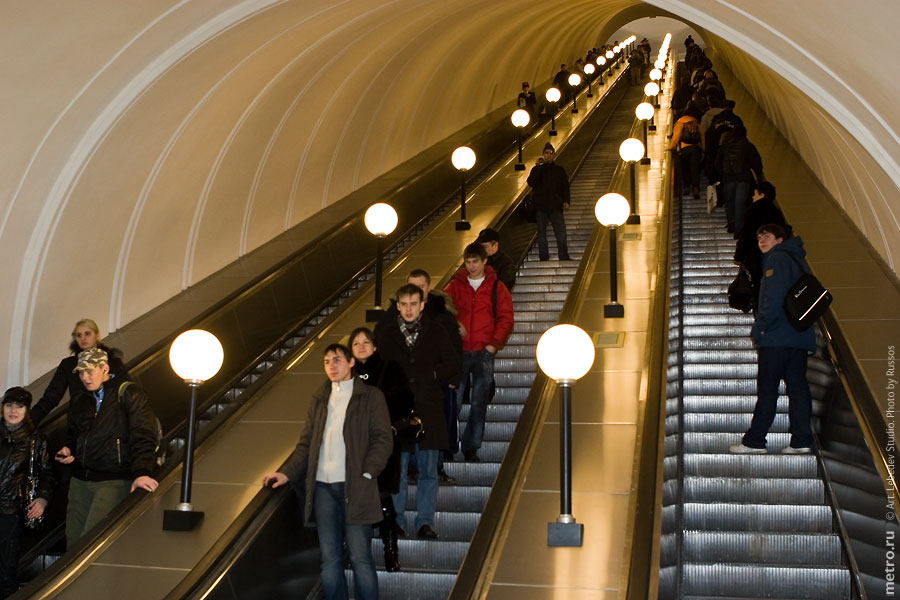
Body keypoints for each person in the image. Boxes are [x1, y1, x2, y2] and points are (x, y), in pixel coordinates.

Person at [262, 343, 391, 600]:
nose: (332, 366)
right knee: (329, 559)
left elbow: (383, 438)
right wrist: (286, 473)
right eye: (327, 362)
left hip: (356, 487)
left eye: (337, 360)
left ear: (351, 362)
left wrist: (368, 471)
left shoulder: (370, 396)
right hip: (322, 488)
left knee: (360, 557)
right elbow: (306, 443)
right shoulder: (320, 399)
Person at [376, 284, 460, 540]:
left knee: (428, 471)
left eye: (414, 303)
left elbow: (454, 361)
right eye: (404, 304)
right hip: (399, 410)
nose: (409, 309)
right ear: (398, 306)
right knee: (398, 471)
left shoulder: (436, 330)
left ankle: (425, 522)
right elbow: (377, 366)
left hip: (429, 407)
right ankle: (398, 521)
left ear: (422, 305)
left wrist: (433, 376)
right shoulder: (386, 333)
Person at [54, 348, 159, 545]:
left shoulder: (128, 393)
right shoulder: (80, 399)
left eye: (90, 371)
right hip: (80, 480)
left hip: (113, 479)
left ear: (105, 368)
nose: (85, 377)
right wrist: (68, 448)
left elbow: (144, 434)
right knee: (73, 543)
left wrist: (142, 472)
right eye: (81, 372)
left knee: (92, 540)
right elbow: (72, 433)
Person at [730, 224, 816, 455]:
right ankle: (801, 440)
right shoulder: (796, 258)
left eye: (767, 236)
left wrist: (760, 329)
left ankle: (755, 440)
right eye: (759, 238)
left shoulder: (776, 260)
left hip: (777, 338)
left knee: (768, 389)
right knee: (798, 388)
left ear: (780, 239)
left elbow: (772, 299)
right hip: (798, 337)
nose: (762, 241)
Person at [348, 327, 413, 572]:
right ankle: (359, 554)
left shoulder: (390, 368)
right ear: (351, 350)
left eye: (366, 342)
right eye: (356, 343)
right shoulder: (347, 373)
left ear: (375, 346)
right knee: (357, 500)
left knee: (384, 497)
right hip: (354, 446)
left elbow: (407, 400)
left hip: (382, 442)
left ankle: (390, 551)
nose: (362, 346)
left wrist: (375, 400)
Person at [444, 244, 514, 463]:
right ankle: (448, 445)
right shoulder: (455, 286)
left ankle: (471, 447)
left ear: (485, 261)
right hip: (460, 351)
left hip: (484, 351)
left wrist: (494, 343)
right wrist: (454, 324)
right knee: (452, 401)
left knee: (479, 402)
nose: (471, 266)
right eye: (468, 262)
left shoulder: (496, 287)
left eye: (475, 261)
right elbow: (439, 310)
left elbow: (506, 317)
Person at [0, 388, 52, 599]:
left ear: (27, 410)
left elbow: (48, 474)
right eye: (9, 405)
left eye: (19, 406)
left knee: (6, 571)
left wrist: (43, 498)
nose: (13, 410)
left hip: (11, 511)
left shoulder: (36, 440)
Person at [31, 318, 130, 425]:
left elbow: (129, 392)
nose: (83, 338)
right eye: (79, 335)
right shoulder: (68, 365)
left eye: (87, 334)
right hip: (80, 424)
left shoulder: (113, 362)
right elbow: (51, 397)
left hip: (111, 421)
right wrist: (27, 422)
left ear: (96, 335)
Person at [734, 182, 791, 310]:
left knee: (759, 285)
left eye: (755, 194)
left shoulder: (752, 211)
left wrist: (739, 255)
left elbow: (746, 235)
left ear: (762, 195)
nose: (753, 197)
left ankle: (760, 312)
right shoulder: (777, 213)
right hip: (775, 257)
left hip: (756, 256)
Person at [526, 142, 571, 261]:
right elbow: (531, 182)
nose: (548, 156)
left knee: (561, 232)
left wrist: (566, 201)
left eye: (551, 153)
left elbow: (565, 186)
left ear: (554, 155)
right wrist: (539, 168)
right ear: (543, 154)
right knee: (541, 233)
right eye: (546, 153)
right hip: (541, 206)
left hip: (556, 205)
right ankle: (543, 256)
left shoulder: (559, 170)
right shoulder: (537, 169)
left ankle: (563, 255)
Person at [716, 125, 763, 235]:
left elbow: (717, 163)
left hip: (728, 179)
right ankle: (738, 229)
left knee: (729, 202)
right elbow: (756, 161)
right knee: (740, 203)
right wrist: (759, 175)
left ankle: (731, 223)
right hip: (743, 179)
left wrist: (723, 174)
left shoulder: (725, 145)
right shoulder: (747, 145)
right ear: (745, 134)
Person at [669, 106, 705, 199]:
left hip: (683, 149)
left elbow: (676, 137)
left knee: (685, 168)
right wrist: (703, 150)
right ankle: (696, 188)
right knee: (695, 168)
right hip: (695, 148)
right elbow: (702, 137)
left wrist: (670, 147)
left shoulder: (680, 123)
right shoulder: (696, 122)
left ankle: (686, 187)